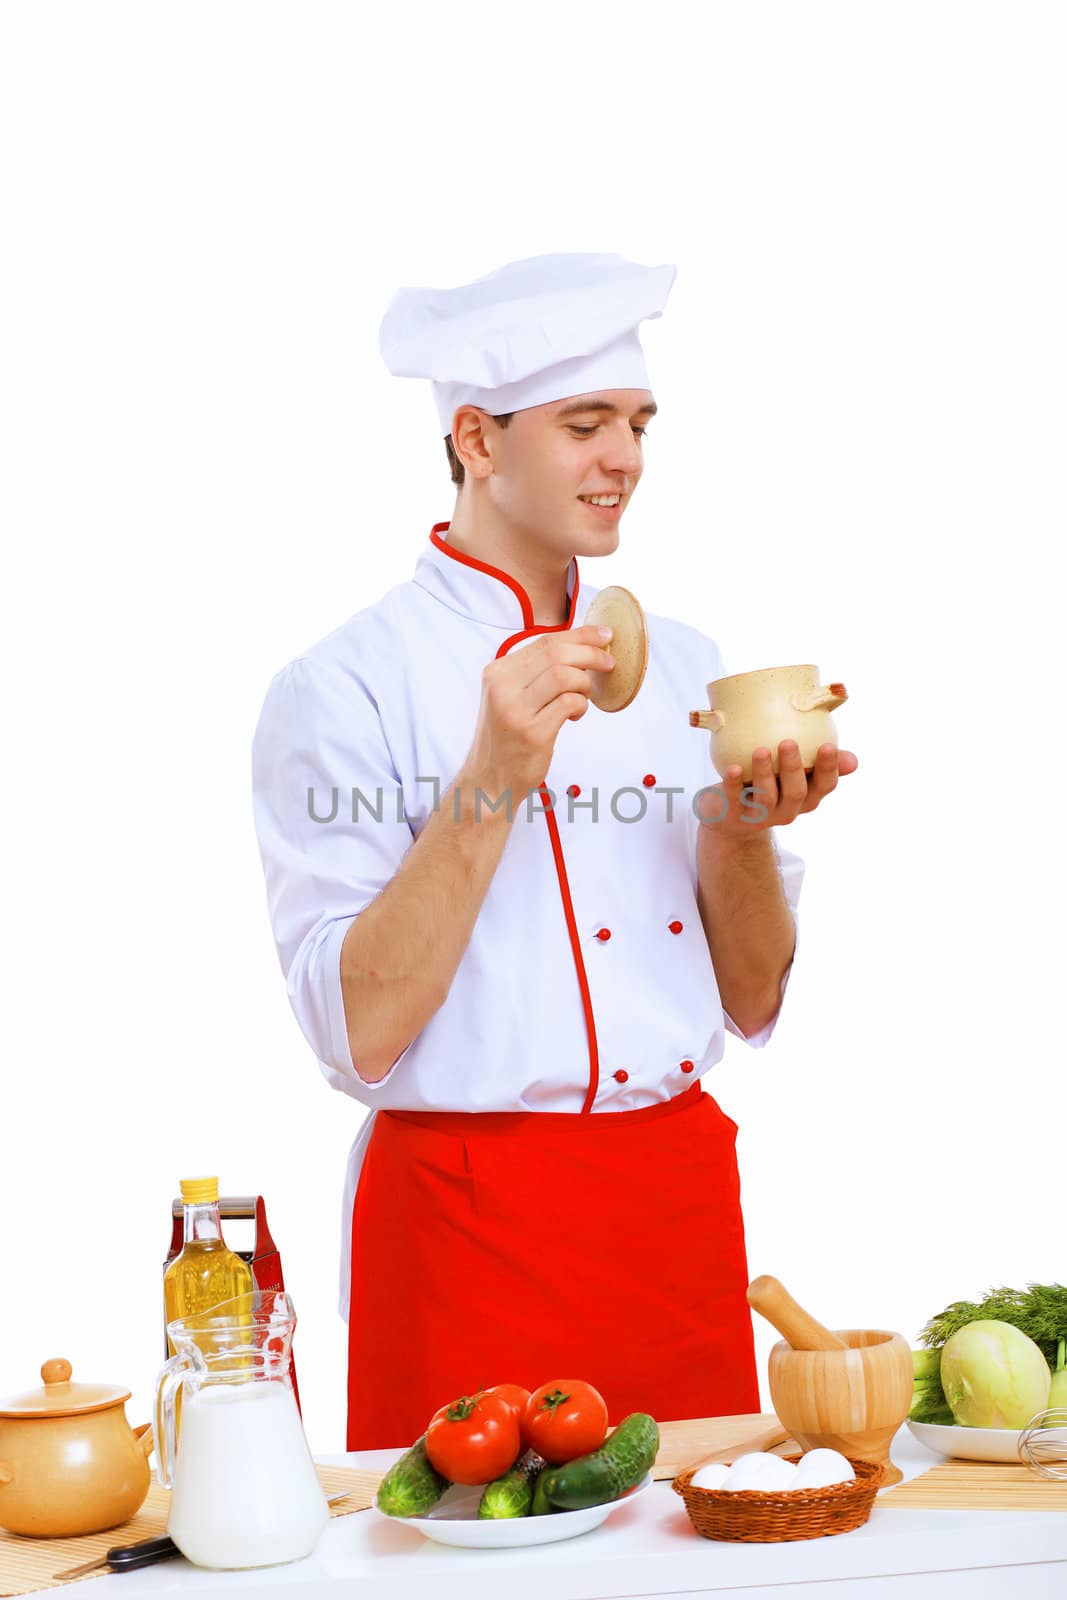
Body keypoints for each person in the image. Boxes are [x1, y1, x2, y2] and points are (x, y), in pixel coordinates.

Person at [251, 252, 857, 1449]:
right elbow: (355, 1026)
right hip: (467, 1229)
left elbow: (749, 996)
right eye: (584, 424)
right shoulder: (338, 690)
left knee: (708, 1565)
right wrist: (491, 773)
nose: (623, 457)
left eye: (635, 422)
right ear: (475, 439)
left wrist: (734, 834)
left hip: (672, 1215)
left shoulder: (689, 669)